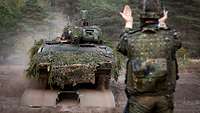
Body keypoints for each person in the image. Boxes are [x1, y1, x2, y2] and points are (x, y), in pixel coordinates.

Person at [117, 0, 181, 113]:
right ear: (160, 16)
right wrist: (162, 23)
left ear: (141, 17)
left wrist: (128, 23)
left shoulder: (130, 39)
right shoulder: (170, 38)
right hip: (164, 98)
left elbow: (121, 46)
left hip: (139, 99)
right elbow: (177, 42)